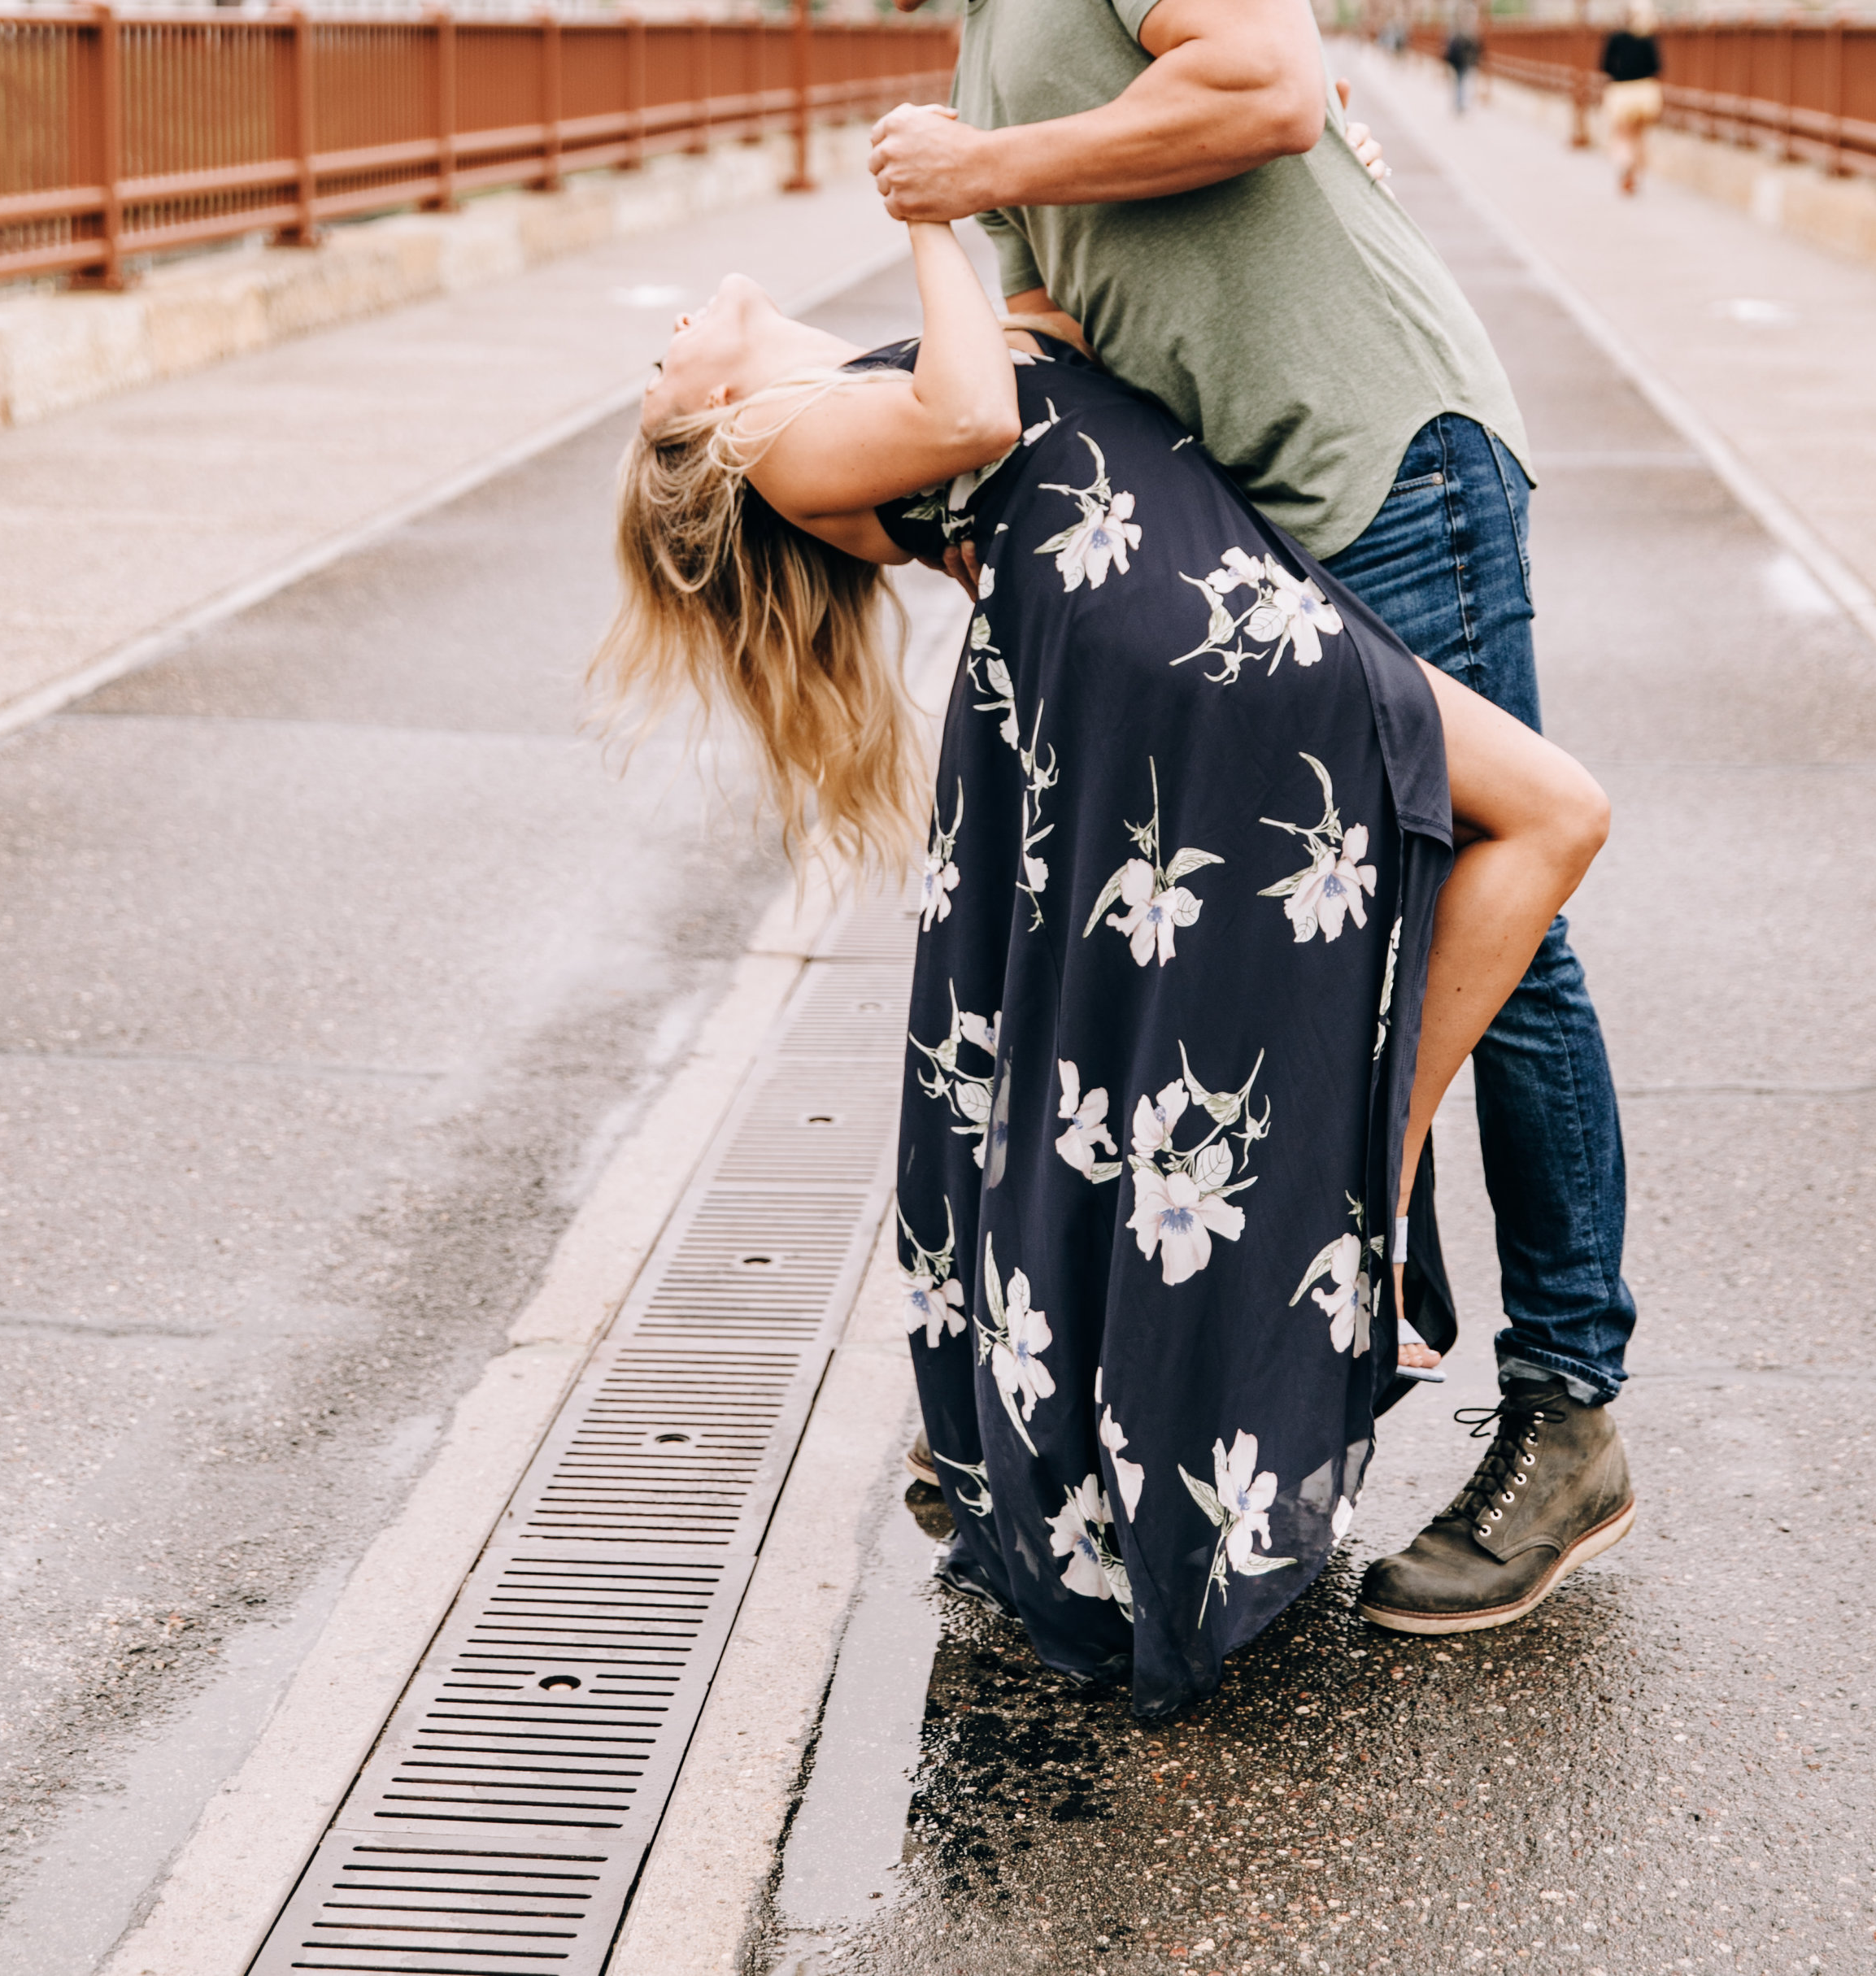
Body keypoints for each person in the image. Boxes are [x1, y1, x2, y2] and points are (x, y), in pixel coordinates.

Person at [707, 0, 1640, 1643]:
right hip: (1274, 531)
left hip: (1389, 456)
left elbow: (1269, 87)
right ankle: (1294, 1341)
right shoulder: (982, 59)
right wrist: (842, 440)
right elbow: (1067, 334)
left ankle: (1566, 1410)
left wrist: (975, 170)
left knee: (1502, 913)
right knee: (1356, 927)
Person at [599, 220, 1612, 1716]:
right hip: (1197, 648)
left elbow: (1076, 315)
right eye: (656, 374)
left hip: (1187, 632)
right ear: (703, 434)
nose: (666, 333)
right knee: (1555, 813)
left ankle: (1366, 1193)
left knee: (1531, 827)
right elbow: (983, 415)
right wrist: (938, 198)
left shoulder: (870, 386)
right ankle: (1368, 1194)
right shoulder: (783, 450)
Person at [1600, 0, 1665, 196]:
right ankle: (1636, 174)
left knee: (1623, 135)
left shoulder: (1616, 38)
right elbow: (1657, 67)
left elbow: (1604, 66)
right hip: (1646, 93)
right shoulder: (1648, 38)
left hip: (1622, 93)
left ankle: (1626, 168)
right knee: (1639, 136)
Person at [1444, 20, 1482, 116]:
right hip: (1464, 63)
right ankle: (1460, 103)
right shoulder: (1469, 37)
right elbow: (1477, 49)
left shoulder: (1454, 36)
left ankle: (1457, 103)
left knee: (1458, 82)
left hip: (1456, 63)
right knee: (1461, 83)